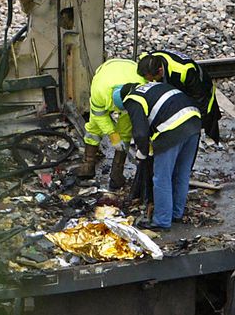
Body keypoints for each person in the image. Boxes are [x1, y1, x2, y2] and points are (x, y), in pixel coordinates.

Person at [119, 80, 202, 229]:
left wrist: (142, 152)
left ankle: (162, 221)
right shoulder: (151, 87)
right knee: (181, 173)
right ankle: (177, 214)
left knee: (162, 177)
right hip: (194, 120)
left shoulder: (132, 99)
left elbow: (140, 132)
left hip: (172, 127)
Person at [77, 58, 144, 190]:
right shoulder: (99, 90)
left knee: (125, 133)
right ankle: (87, 165)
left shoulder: (139, 86)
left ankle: (116, 176)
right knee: (94, 129)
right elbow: (99, 116)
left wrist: (120, 139)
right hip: (108, 69)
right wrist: (113, 135)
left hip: (131, 70)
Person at [137, 50, 221, 143]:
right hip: (176, 84)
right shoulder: (148, 61)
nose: (152, 81)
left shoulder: (184, 70)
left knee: (208, 115)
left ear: (160, 71)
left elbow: (200, 98)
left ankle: (212, 140)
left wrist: (200, 123)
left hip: (200, 88)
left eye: (153, 79)